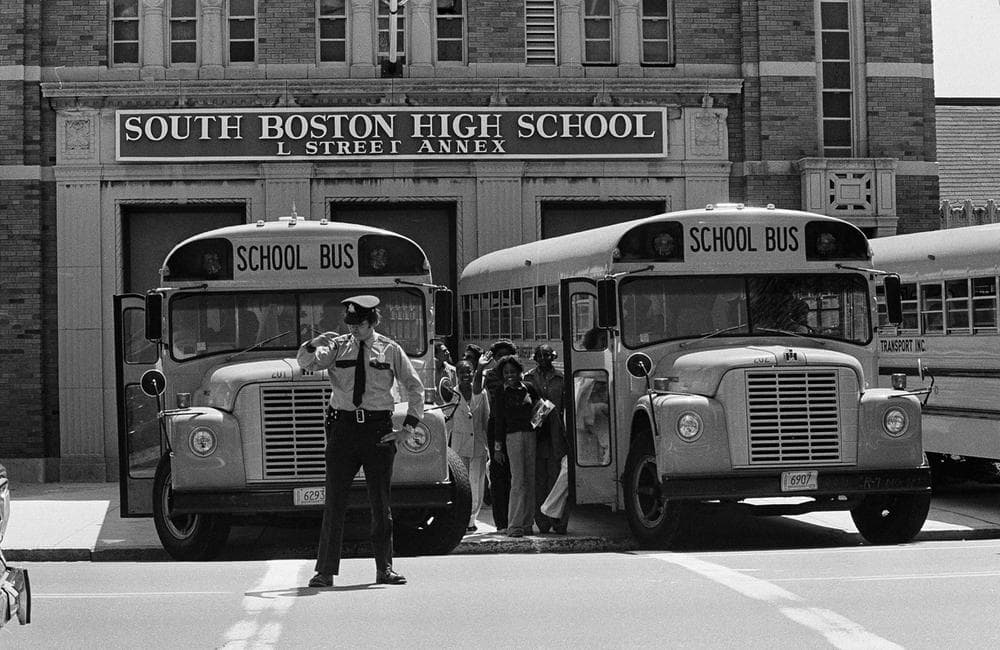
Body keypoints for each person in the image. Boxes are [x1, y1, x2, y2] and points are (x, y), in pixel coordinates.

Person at [296, 295, 423, 589]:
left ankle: (385, 568)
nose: (354, 329)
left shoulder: (390, 349)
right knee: (335, 501)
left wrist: (408, 428)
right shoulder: (338, 345)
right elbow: (307, 364)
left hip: (378, 430)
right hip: (343, 429)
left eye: (360, 324)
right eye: (350, 324)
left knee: (380, 503)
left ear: (372, 322)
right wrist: (313, 344)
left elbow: (414, 388)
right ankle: (325, 571)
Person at [492, 354, 541, 537]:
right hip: (512, 437)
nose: (510, 375)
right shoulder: (501, 391)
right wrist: (498, 448)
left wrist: (539, 421)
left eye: (513, 371)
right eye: (506, 372)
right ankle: (514, 525)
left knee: (530, 480)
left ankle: (528, 523)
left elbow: (540, 407)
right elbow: (498, 420)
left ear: (520, 371)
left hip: (530, 435)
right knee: (518, 481)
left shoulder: (528, 388)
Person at [440, 360, 490, 532]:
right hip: (459, 446)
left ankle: (471, 520)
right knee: (461, 484)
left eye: (469, 372)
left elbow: (486, 420)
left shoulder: (481, 393)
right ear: (457, 375)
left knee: (477, 482)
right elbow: (447, 422)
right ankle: (461, 517)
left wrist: (490, 446)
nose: (466, 376)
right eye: (462, 373)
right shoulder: (451, 394)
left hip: (478, 445)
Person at [525, 343, 569, 534]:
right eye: (540, 356)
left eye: (547, 356)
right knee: (538, 480)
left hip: (557, 434)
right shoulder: (528, 378)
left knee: (558, 479)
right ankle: (542, 521)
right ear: (535, 358)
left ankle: (559, 521)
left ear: (553, 357)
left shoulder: (562, 378)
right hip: (536, 434)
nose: (544, 359)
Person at [473, 338, 517, 532]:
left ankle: (517, 518)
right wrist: (479, 368)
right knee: (499, 475)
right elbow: (476, 390)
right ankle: (501, 522)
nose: (502, 360)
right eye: (499, 356)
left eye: (507, 356)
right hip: (496, 425)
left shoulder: (518, 375)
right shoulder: (489, 375)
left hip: (516, 426)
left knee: (516, 475)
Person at [433, 341, 457, 405]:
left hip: (448, 406)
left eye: (447, 350)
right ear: (435, 354)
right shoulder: (429, 370)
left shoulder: (452, 370)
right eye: (444, 351)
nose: (448, 352)